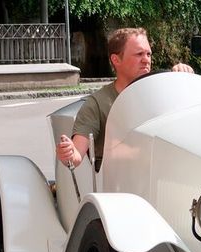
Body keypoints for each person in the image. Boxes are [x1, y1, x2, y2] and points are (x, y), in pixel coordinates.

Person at [56, 28, 152, 169]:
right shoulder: (97, 104)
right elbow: (76, 155)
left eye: (148, 54)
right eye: (139, 54)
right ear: (116, 60)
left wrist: (184, 76)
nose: (146, 60)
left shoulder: (160, 92)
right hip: (121, 184)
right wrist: (68, 153)